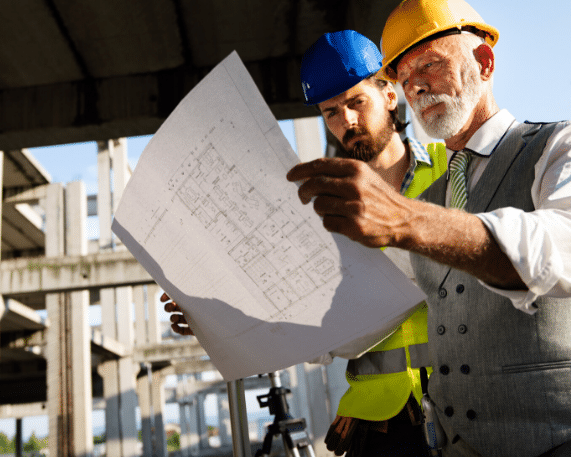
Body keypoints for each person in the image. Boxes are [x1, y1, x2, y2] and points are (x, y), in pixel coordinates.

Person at [286, 0, 571, 456]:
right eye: (405, 73)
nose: (416, 85)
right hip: (450, 436)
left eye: (430, 65)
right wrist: (225, 322)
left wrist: (407, 218)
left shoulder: (563, 145)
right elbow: (350, 313)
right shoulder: (415, 202)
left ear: (484, 61)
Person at [165, 29, 449, 456]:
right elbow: (304, 319)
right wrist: (212, 317)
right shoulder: (322, 207)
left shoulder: (453, 168)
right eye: (331, 112)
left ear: (389, 95)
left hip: (465, 399)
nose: (346, 122)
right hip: (378, 423)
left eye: (357, 102)